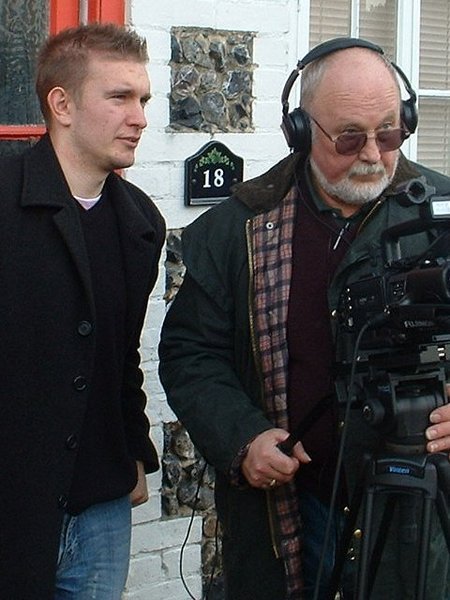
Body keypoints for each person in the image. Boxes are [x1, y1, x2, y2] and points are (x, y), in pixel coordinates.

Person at [159, 37, 450, 600]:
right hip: (294, 513)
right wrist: (242, 439)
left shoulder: (441, 212)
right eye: (348, 137)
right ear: (300, 130)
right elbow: (191, 354)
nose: (372, 153)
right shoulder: (240, 227)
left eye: (389, 132)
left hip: (424, 514)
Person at [0, 23, 165, 599]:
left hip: (101, 507)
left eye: (143, 99)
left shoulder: (140, 222)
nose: (139, 116)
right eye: (119, 97)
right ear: (62, 105)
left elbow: (119, 357)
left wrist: (134, 450)